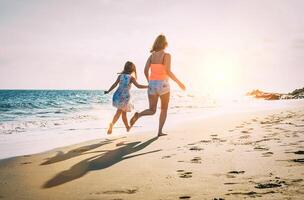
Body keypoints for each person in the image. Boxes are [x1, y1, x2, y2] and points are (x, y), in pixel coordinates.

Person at [130, 34, 186, 136]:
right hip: (163, 84)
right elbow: (168, 71)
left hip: (152, 84)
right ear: (165, 44)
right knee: (163, 109)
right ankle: (159, 131)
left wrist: (149, 81)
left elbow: (145, 70)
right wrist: (179, 82)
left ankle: (139, 115)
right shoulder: (166, 55)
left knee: (152, 110)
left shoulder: (151, 56)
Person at [105, 61, 148, 134]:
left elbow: (115, 84)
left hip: (117, 95)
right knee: (119, 112)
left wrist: (108, 91)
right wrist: (148, 86)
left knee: (123, 113)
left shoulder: (120, 76)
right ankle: (112, 124)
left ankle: (127, 127)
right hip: (124, 97)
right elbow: (138, 86)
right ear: (132, 69)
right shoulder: (131, 78)